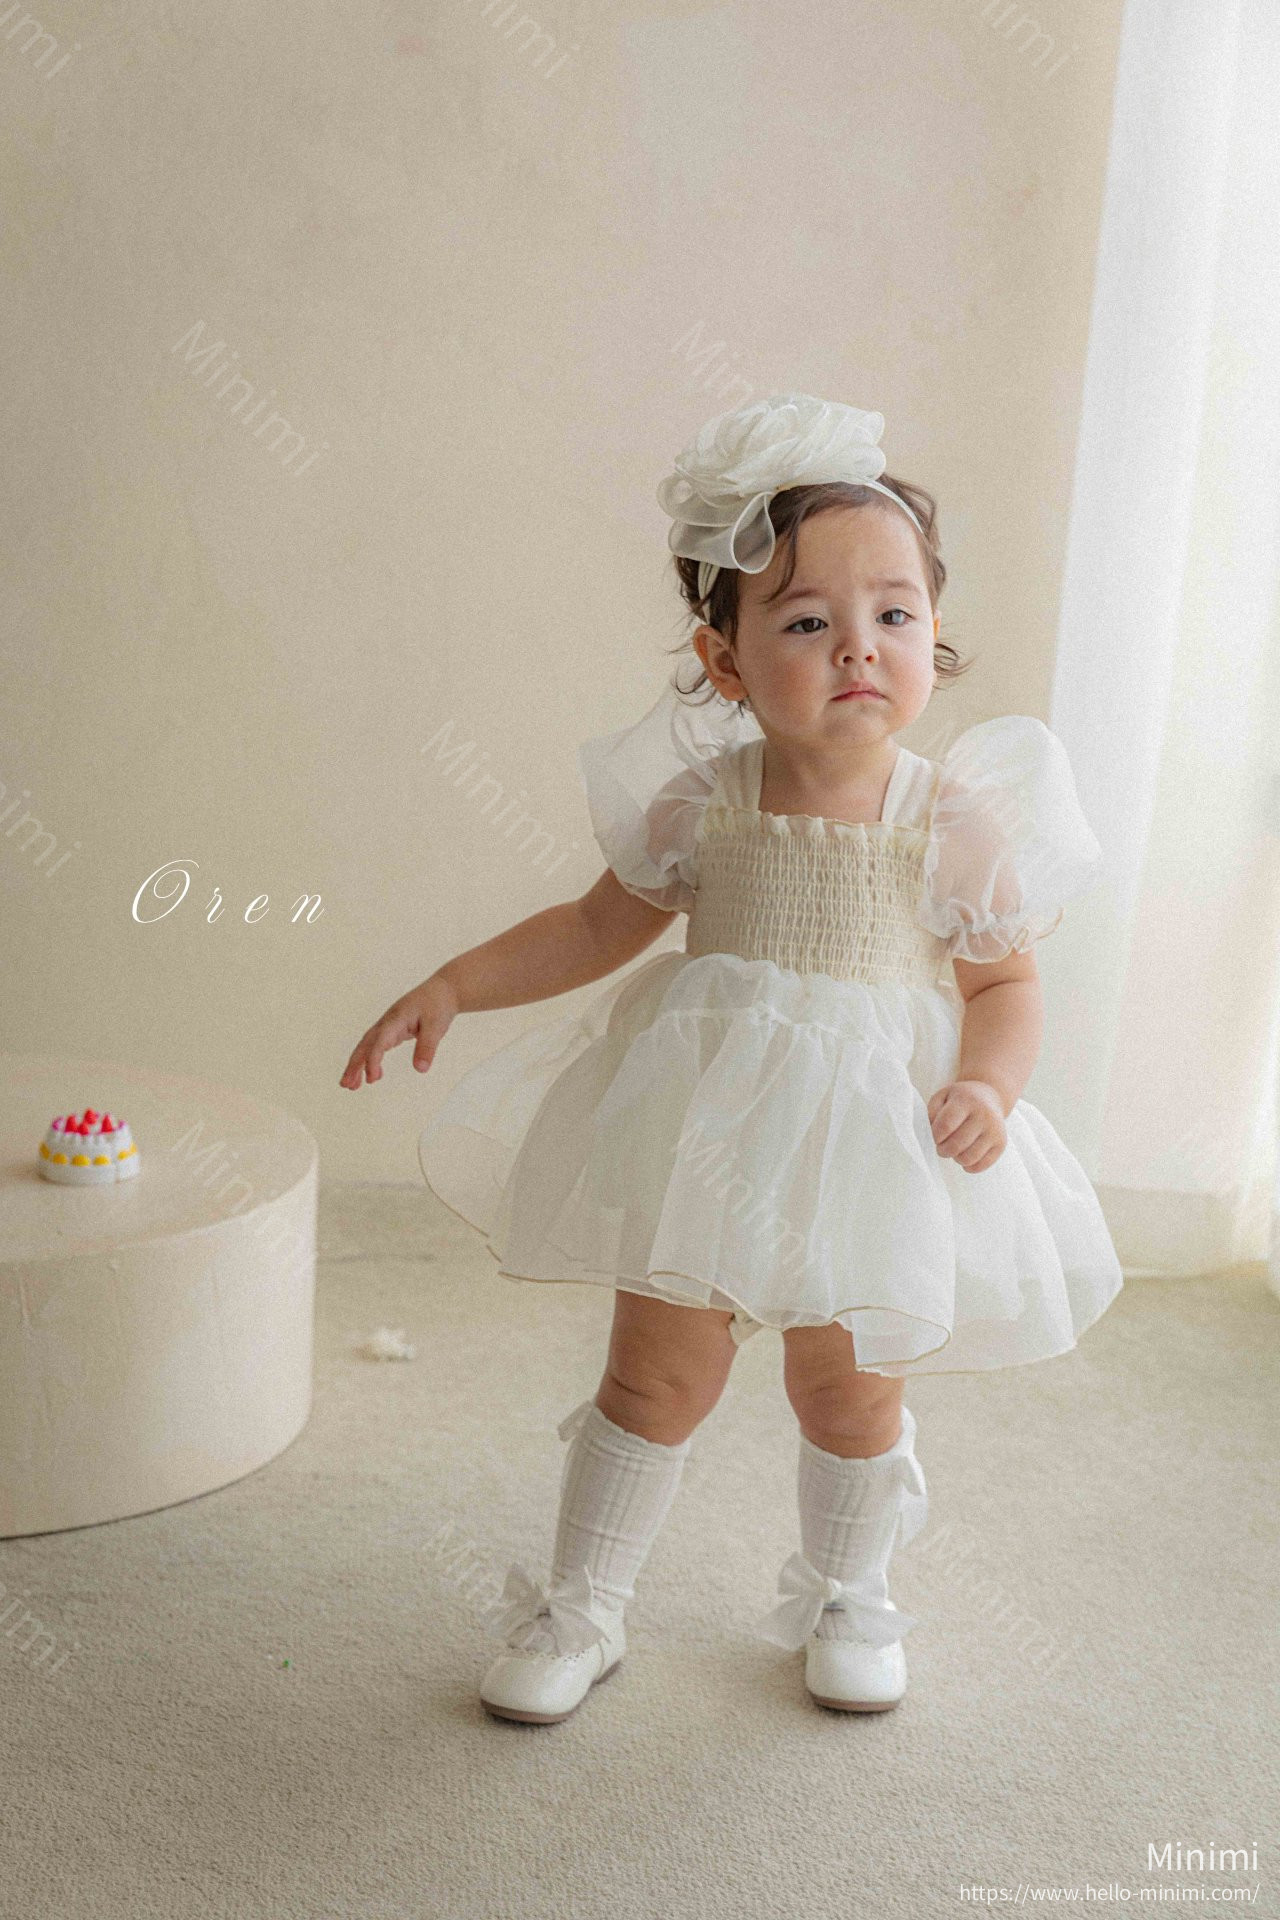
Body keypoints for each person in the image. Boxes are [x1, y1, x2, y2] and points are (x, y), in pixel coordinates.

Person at [339, 392, 1124, 1725]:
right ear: (726, 659)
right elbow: (595, 926)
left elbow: (1005, 982)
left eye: (894, 613)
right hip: (707, 1135)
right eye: (807, 622)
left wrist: (989, 1085)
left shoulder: (953, 818)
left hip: (876, 1142)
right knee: (654, 1375)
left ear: (933, 632)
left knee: (846, 1386)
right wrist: (458, 984)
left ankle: (849, 1593)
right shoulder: (704, 800)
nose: (858, 645)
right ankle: (584, 1604)